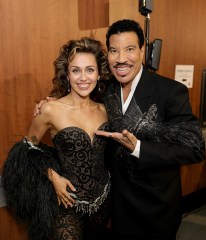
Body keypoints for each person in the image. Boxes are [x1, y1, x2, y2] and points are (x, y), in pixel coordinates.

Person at [33, 19, 205, 240]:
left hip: (155, 210)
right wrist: (51, 103)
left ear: (142, 51)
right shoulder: (106, 89)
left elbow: (195, 148)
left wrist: (139, 148)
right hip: (114, 208)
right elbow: (79, 95)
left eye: (130, 49)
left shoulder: (169, 91)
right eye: (114, 50)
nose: (121, 58)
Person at [2, 37, 112, 240]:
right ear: (67, 75)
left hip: (104, 200)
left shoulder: (107, 110)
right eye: (75, 70)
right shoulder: (50, 109)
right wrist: (53, 176)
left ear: (99, 74)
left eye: (90, 69)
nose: (83, 77)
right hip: (67, 204)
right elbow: (26, 150)